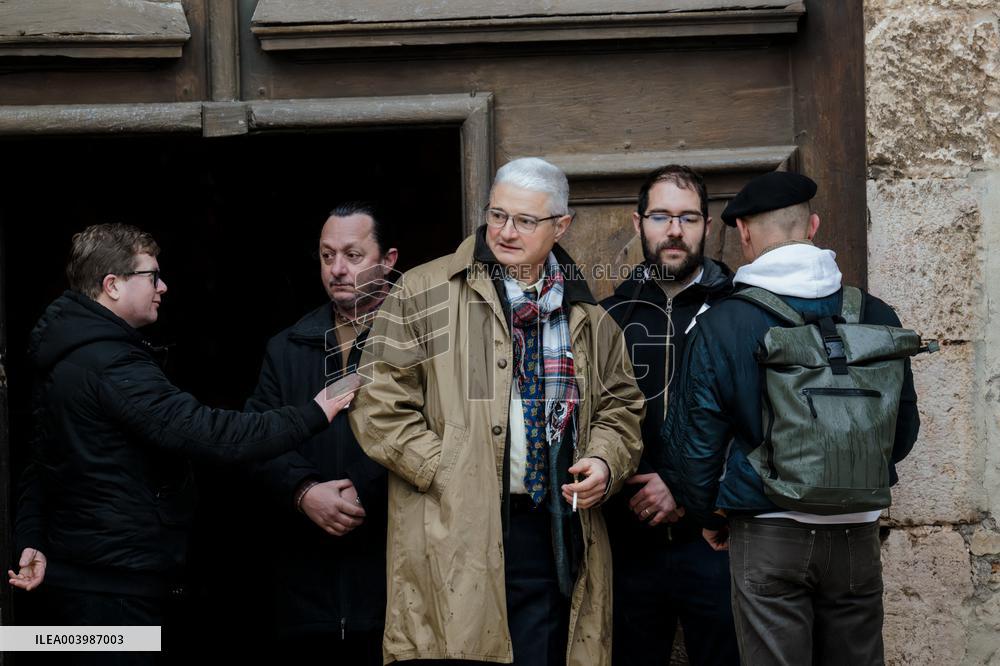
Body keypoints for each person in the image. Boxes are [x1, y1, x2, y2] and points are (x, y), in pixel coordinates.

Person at [349, 157, 644, 665]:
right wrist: (445, 467)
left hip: (551, 530)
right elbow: (377, 400)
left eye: (525, 221)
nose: (506, 232)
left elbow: (620, 405)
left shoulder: (587, 314)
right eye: (498, 215)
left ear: (561, 226)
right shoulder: (423, 291)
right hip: (454, 525)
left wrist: (603, 460)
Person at [9, 223, 351, 642]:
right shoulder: (110, 364)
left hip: (85, 580)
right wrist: (314, 412)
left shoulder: (66, 353)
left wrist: (30, 536)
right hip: (113, 593)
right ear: (112, 285)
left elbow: (41, 462)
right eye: (152, 275)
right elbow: (210, 435)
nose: (163, 286)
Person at [660, 172, 920, 665]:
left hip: (768, 532)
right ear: (813, 226)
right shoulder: (876, 314)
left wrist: (711, 515)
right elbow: (902, 432)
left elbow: (694, 448)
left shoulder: (721, 323)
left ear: (744, 233)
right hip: (856, 535)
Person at [244, 202, 398, 662]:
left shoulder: (421, 341)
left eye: (353, 255)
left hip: (395, 586)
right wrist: (304, 490)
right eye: (327, 256)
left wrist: (365, 487)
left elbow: (443, 434)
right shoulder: (287, 346)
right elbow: (254, 440)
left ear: (388, 260)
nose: (338, 269)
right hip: (304, 592)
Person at [601, 165, 739, 665]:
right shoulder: (606, 317)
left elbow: (758, 421)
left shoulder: (739, 312)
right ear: (638, 223)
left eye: (688, 218)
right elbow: (592, 417)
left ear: (708, 226)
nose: (675, 230)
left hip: (720, 539)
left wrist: (683, 487)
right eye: (661, 216)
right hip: (625, 541)